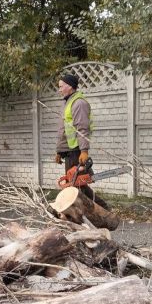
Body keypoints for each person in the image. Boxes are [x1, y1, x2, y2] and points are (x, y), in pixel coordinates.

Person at [55, 73, 108, 206]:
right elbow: (64, 130)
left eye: (61, 86)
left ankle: (102, 208)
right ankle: (96, 210)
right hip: (69, 151)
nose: (59, 90)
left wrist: (84, 151)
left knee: (78, 185)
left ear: (70, 86)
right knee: (76, 185)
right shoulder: (67, 102)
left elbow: (82, 128)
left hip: (76, 151)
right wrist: (59, 151)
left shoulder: (79, 103)